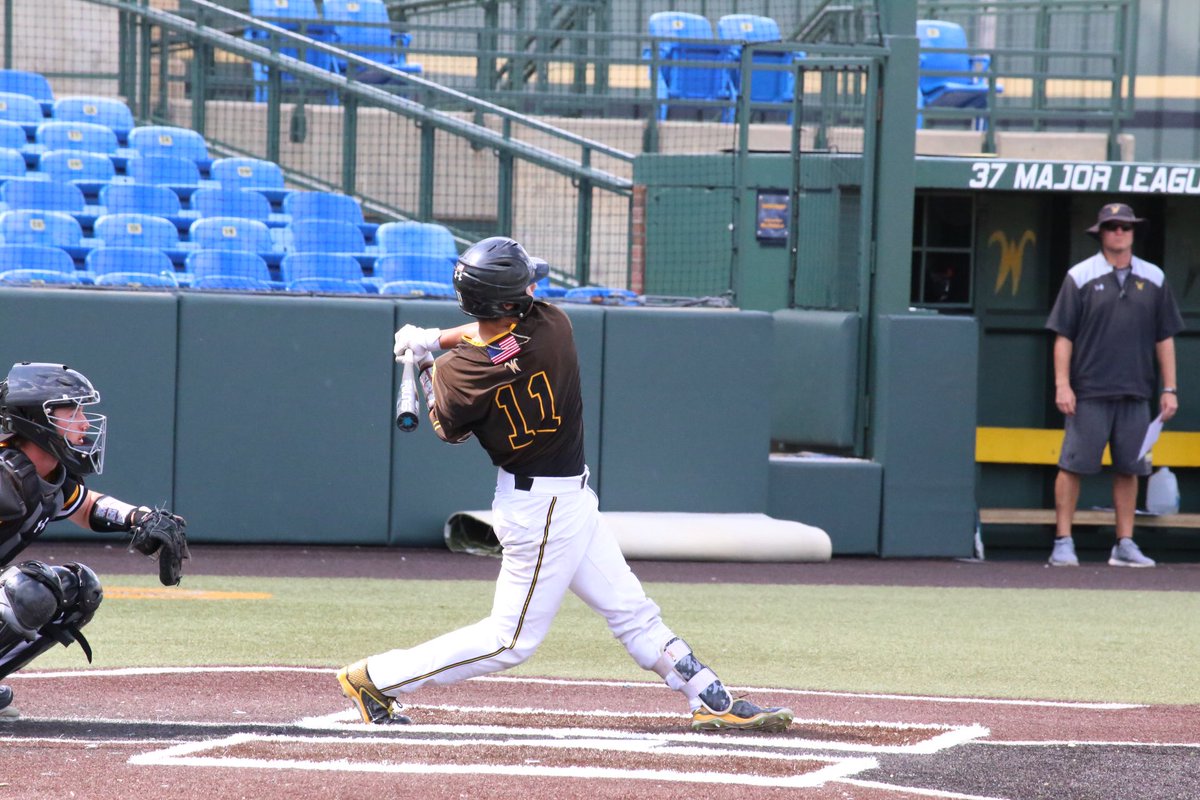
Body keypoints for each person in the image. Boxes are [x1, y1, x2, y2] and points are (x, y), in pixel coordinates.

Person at [338, 237, 794, 733]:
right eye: (523, 283)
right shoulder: (553, 326)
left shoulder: (467, 371)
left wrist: (427, 357)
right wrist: (438, 343)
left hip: (559, 501)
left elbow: (449, 424)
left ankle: (707, 694)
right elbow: (499, 341)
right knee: (511, 640)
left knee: (630, 608)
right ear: (509, 302)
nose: (534, 286)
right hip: (542, 510)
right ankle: (376, 678)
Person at [0, 362, 189, 719]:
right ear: (36, 418)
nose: (85, 423)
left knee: (78, 589)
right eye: (72, 411)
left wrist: (140, 518)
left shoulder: (44, 472)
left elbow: (85, 506)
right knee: (28, 591)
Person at [1045, 203, 1184, 567]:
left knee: (1131, 468)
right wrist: (1063, 384)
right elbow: (1063, 336)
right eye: (1112, 227)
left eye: (1125, 226)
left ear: (1134, 232)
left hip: (1136, 392)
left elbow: (1164, 337)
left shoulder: (1154, 278)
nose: (1119, 232)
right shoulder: (1080, 275)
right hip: (1089, 390)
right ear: (1101, 233)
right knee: (1072, 465)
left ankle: (1124, 543)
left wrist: (1169, 388)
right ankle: (1063, 541)